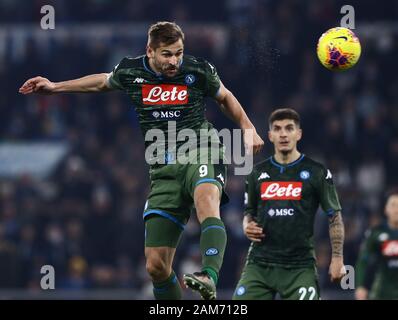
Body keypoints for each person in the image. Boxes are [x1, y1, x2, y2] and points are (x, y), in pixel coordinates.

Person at [19, 21, 264, 300]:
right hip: (163, 167)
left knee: (206, 200)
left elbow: (225, 97)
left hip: (202, 150)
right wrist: (55, 87)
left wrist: (247, 127)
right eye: (167, 54)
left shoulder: (198, 70)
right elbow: (102, 81)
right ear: (150, 51)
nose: (175, 61)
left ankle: (208, 275)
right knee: (156, 266)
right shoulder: (132, 71)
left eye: (179, 53)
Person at [232, 108, 345, 300]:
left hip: (300, 267)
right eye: (277, 129)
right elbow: (248, 213)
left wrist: (337, 258)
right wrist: (246, 226)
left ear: (298, 134)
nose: (283, 133)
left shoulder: (317, 172)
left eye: (289, 128)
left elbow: (334, 217)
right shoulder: (257, 173)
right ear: (270, 136)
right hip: (260, 265)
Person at [355, 193, 398, 300]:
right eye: (393, 205)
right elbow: (363, 261)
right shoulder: (376, 233)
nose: (396, 209)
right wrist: (360, 286)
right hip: (381, 292)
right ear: (386, 209)